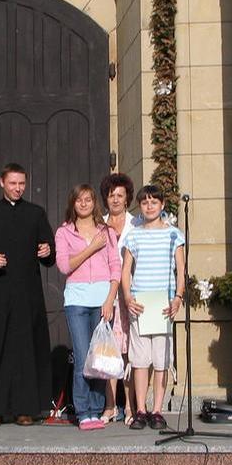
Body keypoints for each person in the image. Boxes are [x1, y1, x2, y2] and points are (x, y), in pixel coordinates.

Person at [0, 163, 56, 427]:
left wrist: (47, 251)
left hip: (28, 293)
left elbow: (49, 249)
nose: (18, 188)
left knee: (26, 350)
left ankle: (26, 409)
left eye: (21, 184)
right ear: (2, 182)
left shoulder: (36, 213)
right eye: (13, 183)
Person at [55, 184, 121, 430]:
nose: (84, 204)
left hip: (102, 301)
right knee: (83, 357)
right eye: (79, 200)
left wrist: (110, 299)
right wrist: (91, 247)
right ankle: (83, 411)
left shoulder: (107, 231)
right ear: (73, 203)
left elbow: (115, 267)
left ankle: (96, 409)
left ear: (95, 203)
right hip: (77, 301)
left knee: (99, 359)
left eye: (88, 200)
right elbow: (64, 266)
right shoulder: (64, 232)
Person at [120, 184, 185, 430]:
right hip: (141, 303)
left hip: (163, 303)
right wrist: (128, 297)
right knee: (139, 360)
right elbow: (126, 270)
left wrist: (178, 297)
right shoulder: (134, 235)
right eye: (145, 202)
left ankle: (157, 409)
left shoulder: (173, 234)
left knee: (161, 359)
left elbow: (181, 269)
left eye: (154, 202)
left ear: (162, 205)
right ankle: (140, 409)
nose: (149, 206)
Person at [100, 172, 136, 424]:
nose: (115, 199)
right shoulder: (99, 224)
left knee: (130, 352)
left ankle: (131, 406)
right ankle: (110, 405)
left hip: (131, 294)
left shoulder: (137, 224)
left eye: (120, 195)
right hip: (106, 292)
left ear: (127, 199)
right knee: (108, 351)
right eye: (111, 195)